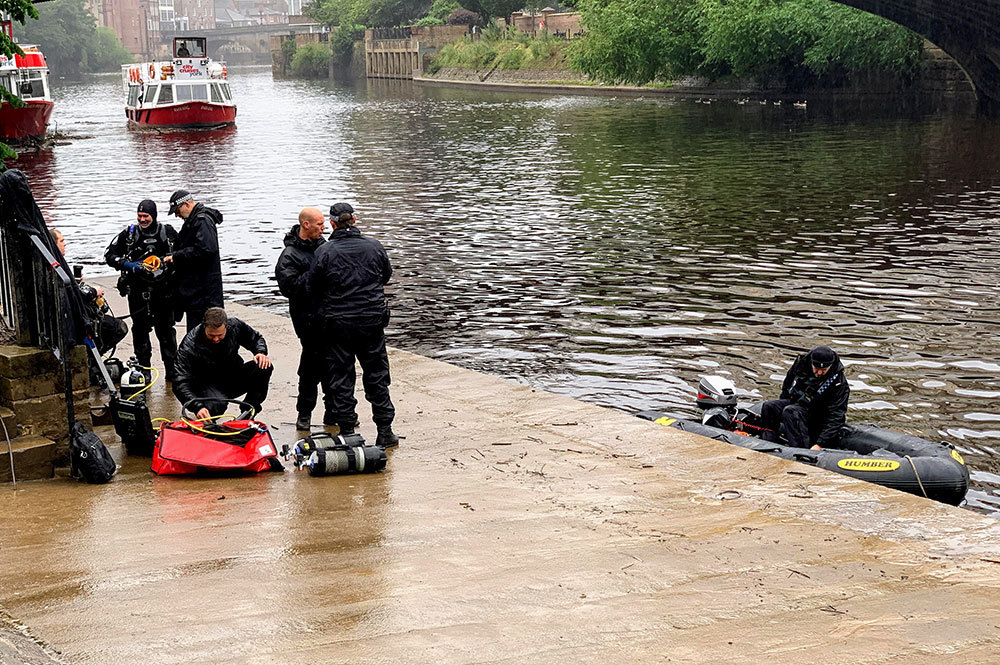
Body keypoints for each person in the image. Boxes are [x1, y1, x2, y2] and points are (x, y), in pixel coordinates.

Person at [309, 202, 398, 448]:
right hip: (371, 322)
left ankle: (348, 430)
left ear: (332, 224)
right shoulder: (374, 246)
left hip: (338, 325)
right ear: (355, 220)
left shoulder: (325, 252)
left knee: (341, 377)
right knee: (377, 376)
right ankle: (385, 431)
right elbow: (386, 275)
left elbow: (313, 285)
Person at [104, 200, 179, 381]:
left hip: (163, 292)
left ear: (154, 215)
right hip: (138, 292)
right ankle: (143, 369)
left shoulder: (167, 233)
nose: (142, 219)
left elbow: (182, 254)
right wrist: (129, 265)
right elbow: (109, 255)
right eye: (140, 216)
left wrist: (164, 262)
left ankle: (172, 370)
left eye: (146, 216)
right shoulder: (129, 235)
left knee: (166, 331)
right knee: (140, 331)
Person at [275, 207, 334, 430]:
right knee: (310, 366)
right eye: (319, 224)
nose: (324, 227)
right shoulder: (289, 255)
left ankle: (333, 411)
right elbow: (289, 287)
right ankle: (305, 413)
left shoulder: (325, 247)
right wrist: (316, 275)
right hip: (307, 319)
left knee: (333, 364)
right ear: (306, 225)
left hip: (329, 316)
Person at [172, 307, 273, 420]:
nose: (215, 339)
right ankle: (209, 417)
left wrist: (260, 352)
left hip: (232, 375)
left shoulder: (235, 326)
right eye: (211, 335)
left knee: (264, 366)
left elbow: (256, 338)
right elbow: (179, 382)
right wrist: (197, 407)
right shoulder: (190, 344)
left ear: (226, 326)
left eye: (220, 335)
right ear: (204, 326)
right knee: (216, 405)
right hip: (206, 384)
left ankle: (248, 411)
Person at [760, 345, 849, 450]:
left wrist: (819, 444)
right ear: (811, 363)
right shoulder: (801, 363)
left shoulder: (839, 384)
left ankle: (801, 449)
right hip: (800, 403)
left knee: (791, 412)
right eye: (816, 368)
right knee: (769, 407)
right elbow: (788, 383)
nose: (819, 373)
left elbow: (837, 416)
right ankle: (768, 441)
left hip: (819, 415)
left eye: (823, 370)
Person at [163, 190, 223, 333]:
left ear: (186, 204)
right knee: (197, 332)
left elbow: (206, 250)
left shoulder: (202, 220)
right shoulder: (196, 220)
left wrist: (176, 256)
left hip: (205, 293)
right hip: (198, 291)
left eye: (177, 211)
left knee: (204, 332)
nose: (177, 215)